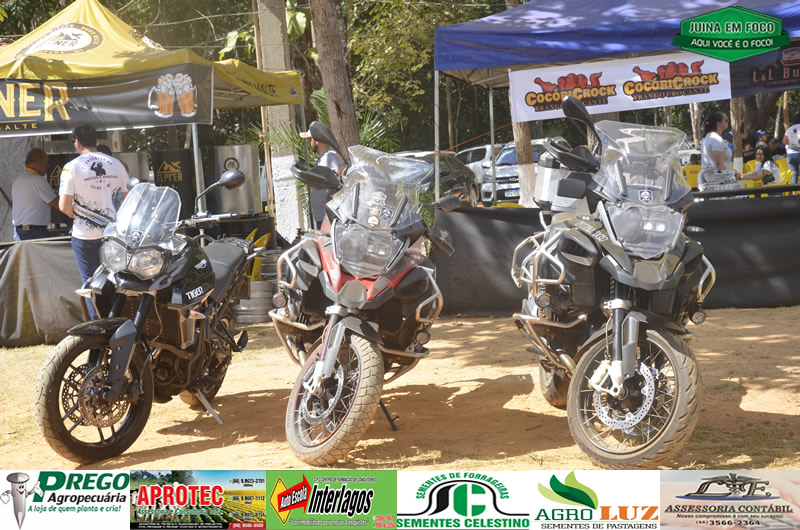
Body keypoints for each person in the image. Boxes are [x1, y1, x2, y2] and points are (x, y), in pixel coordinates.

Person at [59, 124, 129, 317]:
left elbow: (64, 206)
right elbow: (128, 200)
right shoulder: (116, 164)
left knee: (92, 286)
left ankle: (99, 328)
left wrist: (82, 217)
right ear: (97, 141)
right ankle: (120, 323)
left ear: (77, 142)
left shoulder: (71, 167)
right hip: (115, 235)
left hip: (85, 236)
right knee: (119, 282)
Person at [11, 148, 58, 241]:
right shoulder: (38, 180)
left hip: (20, 232)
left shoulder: (18, 180)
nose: (48, 166)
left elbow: (35, 207)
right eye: (47, 162)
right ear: (41, 162)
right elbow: (57, 204)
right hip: (34, 233)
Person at [300, 124, 342, 229]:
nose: (309, 143)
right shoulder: (323, 158)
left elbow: (340, 173)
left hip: (328, 217)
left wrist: (334, 193)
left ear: (316, 140)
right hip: (323, 216)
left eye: (310, 139)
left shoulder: (330, 156)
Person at [783, 114, 800, 184]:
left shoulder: (789, 129)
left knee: (794, 174)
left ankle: (793, 189)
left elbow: (784, 142)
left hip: (790, 155)